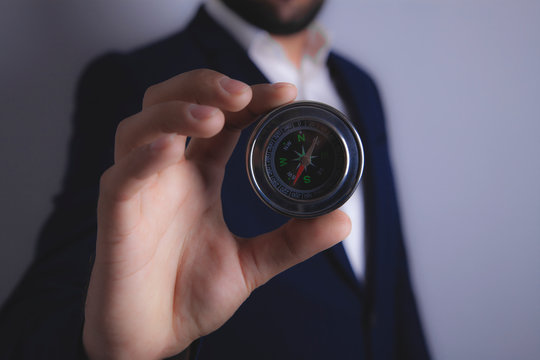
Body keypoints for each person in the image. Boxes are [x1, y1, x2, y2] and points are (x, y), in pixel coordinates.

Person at [0, 0, 430, 359]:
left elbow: (391, 282)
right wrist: (112, 351)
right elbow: (36, 315)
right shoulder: (136, 82)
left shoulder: (360, 85)